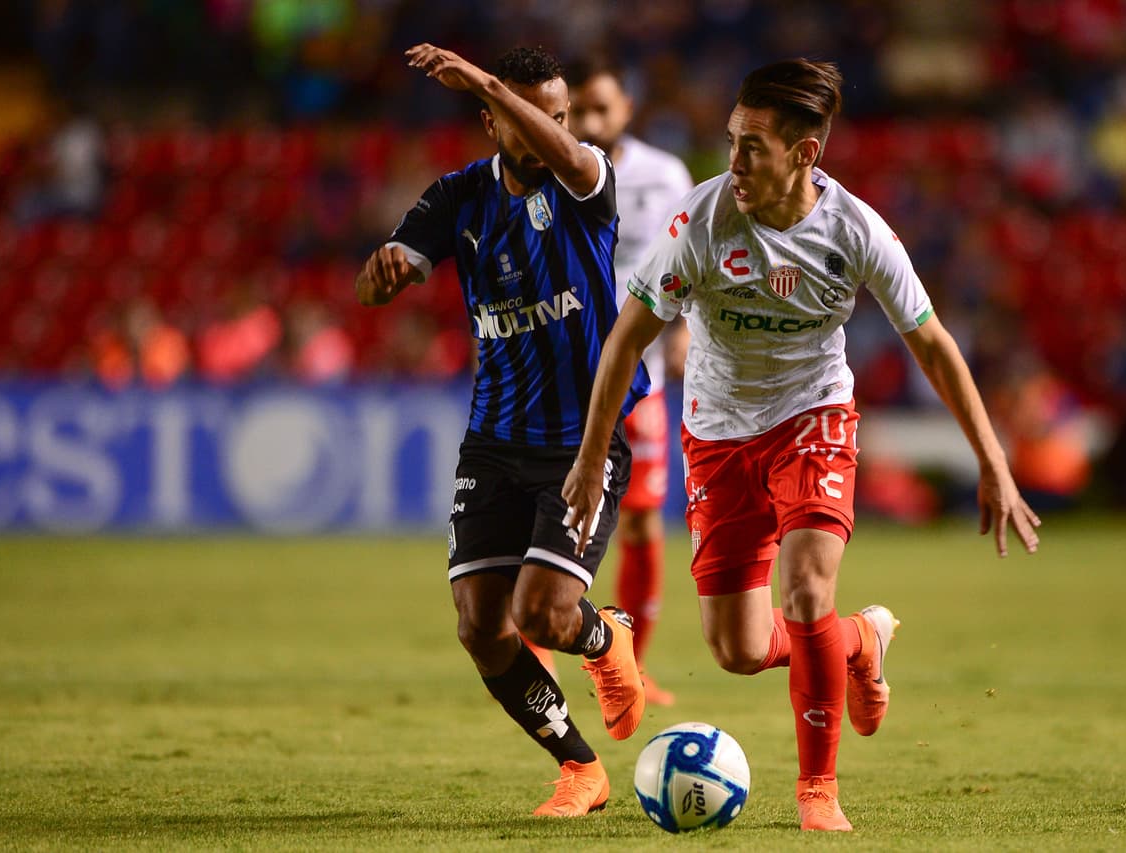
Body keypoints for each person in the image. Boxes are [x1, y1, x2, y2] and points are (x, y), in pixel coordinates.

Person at [562, 59, 1041, 832]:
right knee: (738, 649)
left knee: (806, 590)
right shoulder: (702, 222)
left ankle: (818, 789)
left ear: (805, 153)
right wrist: (590, 461)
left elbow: (934, 344)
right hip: (717, 436)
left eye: (753, 146)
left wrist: (993, 461)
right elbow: (625, 340)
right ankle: (860, 640)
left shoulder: (854, 229)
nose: (735, 161)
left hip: (813, 418)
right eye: (731, 141)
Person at [355, 44, 650, 818]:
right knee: (481, 625)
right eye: (526, 113)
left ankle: (601, 635)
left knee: (544, 613)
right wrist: (384, 267)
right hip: (494, 437)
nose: (552, 128)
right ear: (490, 123)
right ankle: (580, 768)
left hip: (583, 438)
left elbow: (567, 150)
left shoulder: (588, 182)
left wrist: (486, 81)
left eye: (557, 114)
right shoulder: (457, 199)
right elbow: (376, 281)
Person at [558, 56, 695, 706]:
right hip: (561, 371)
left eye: (599, 109)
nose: (588, 121)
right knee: (549, 511)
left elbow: (690, 260)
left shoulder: (666, 176)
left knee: (640, 520)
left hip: (639, 372)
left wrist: (686, 329)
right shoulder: (548, 172)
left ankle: (632, 665)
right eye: (577, 111)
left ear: (626, 110)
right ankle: (543, 654)